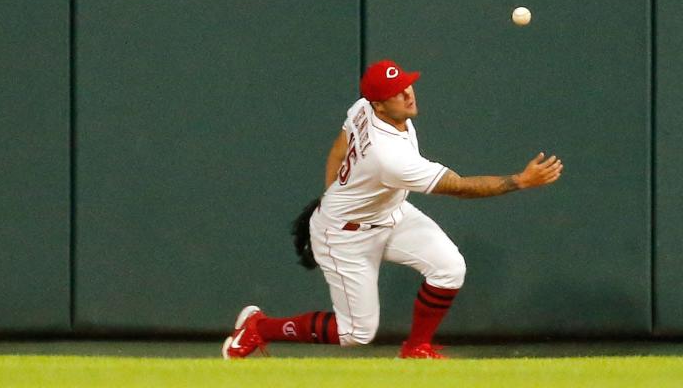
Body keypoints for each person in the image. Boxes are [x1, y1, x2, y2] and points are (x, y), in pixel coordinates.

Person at [222, 59, 562, 360]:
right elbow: (458, 187)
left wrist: (333, 195)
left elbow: (339, 151)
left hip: (389, 215)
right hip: (347, 236)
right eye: (397, 92)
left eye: (406, 84)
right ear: (380, 105)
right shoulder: (389, 156)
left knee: (449, 268)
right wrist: (520, 180)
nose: (408, 93)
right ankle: (260, 327)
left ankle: (416, 349)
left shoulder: (363, 108)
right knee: (355, 335)